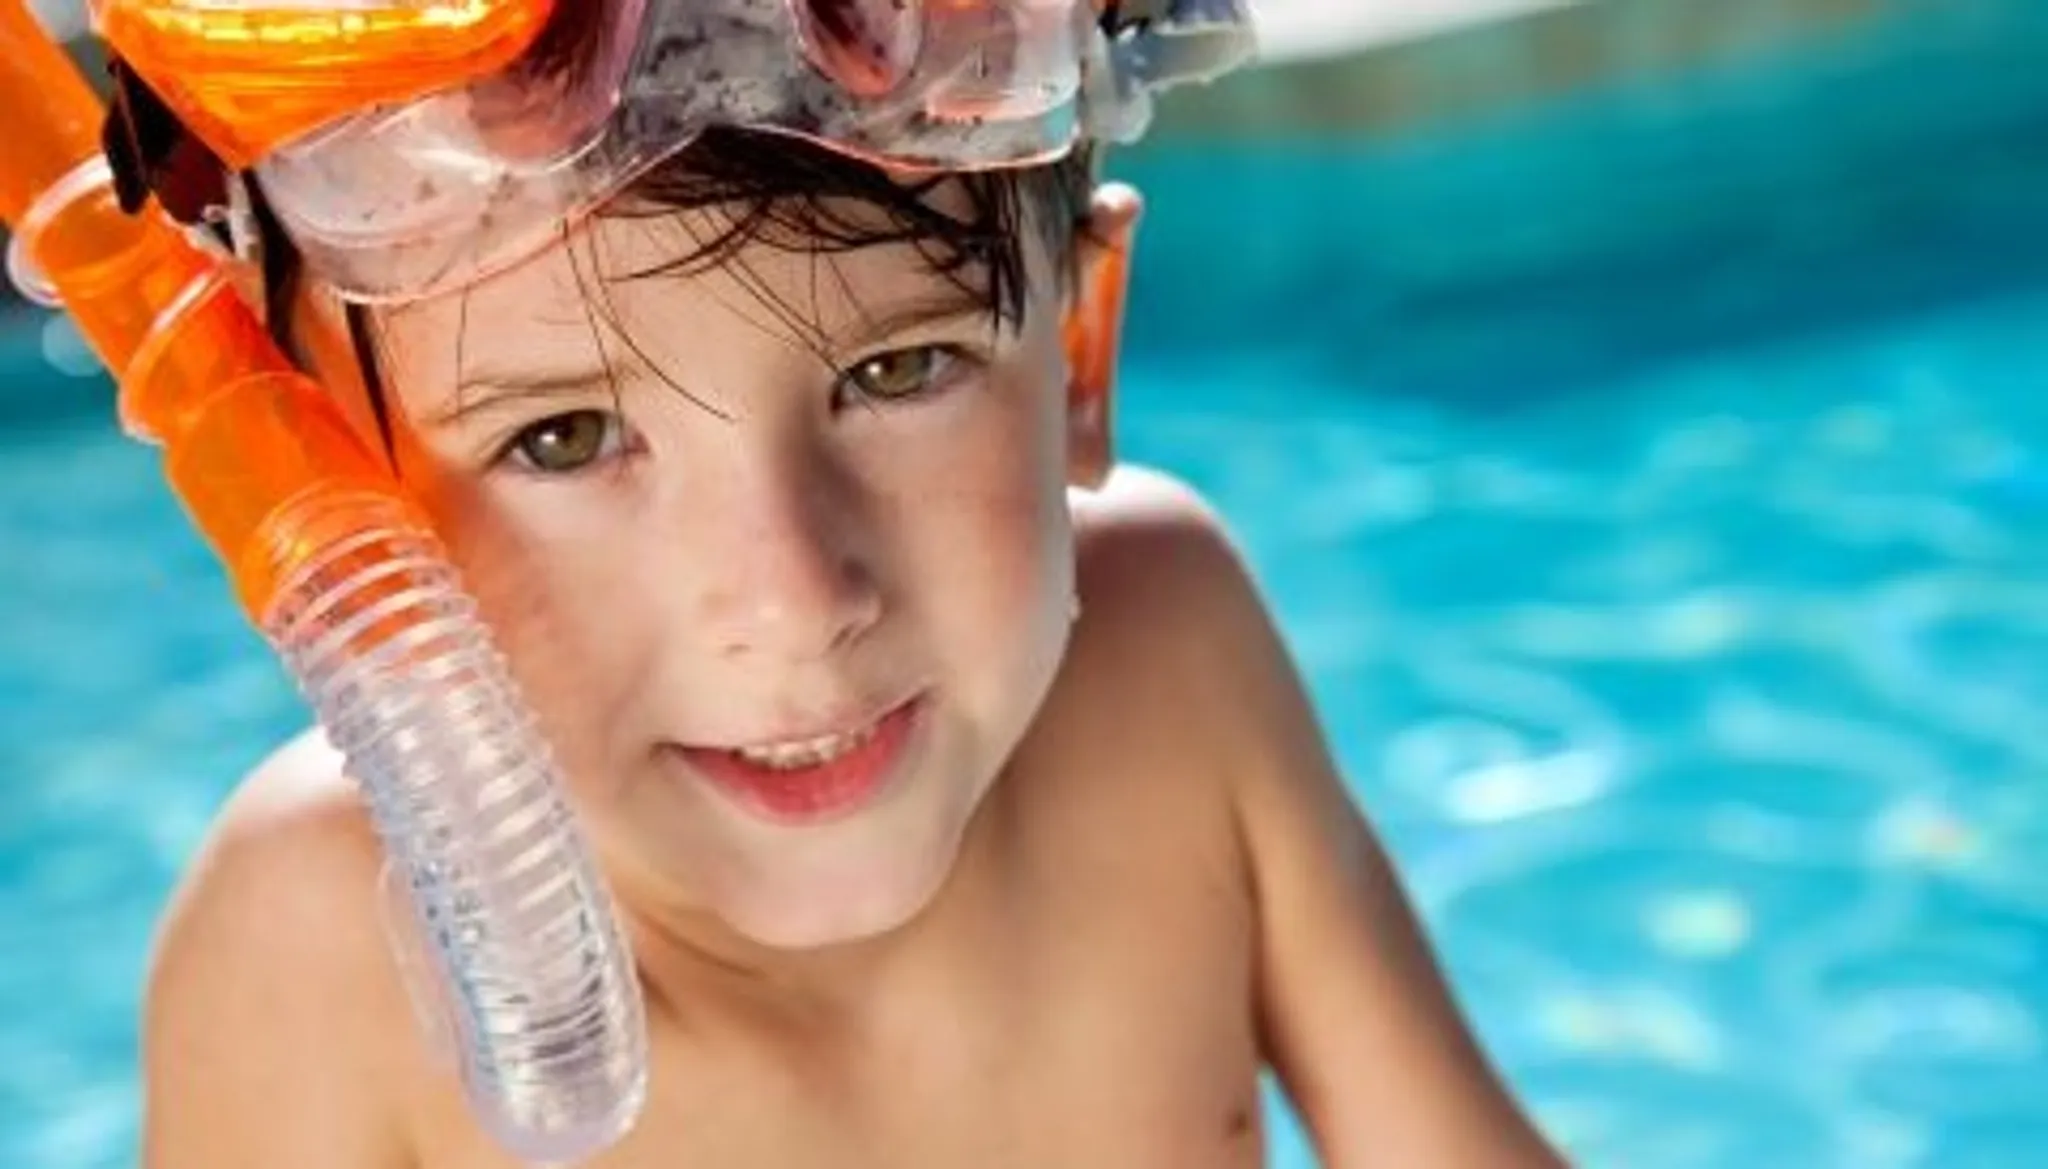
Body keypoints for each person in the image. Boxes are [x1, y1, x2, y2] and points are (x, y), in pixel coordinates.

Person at [123, 1, 1566, 1165]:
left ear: (1073, 350)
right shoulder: (313, 957)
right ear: (320, 502)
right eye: (558, 438)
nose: (794, 601)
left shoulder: (1172, 662)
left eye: (898, 369)